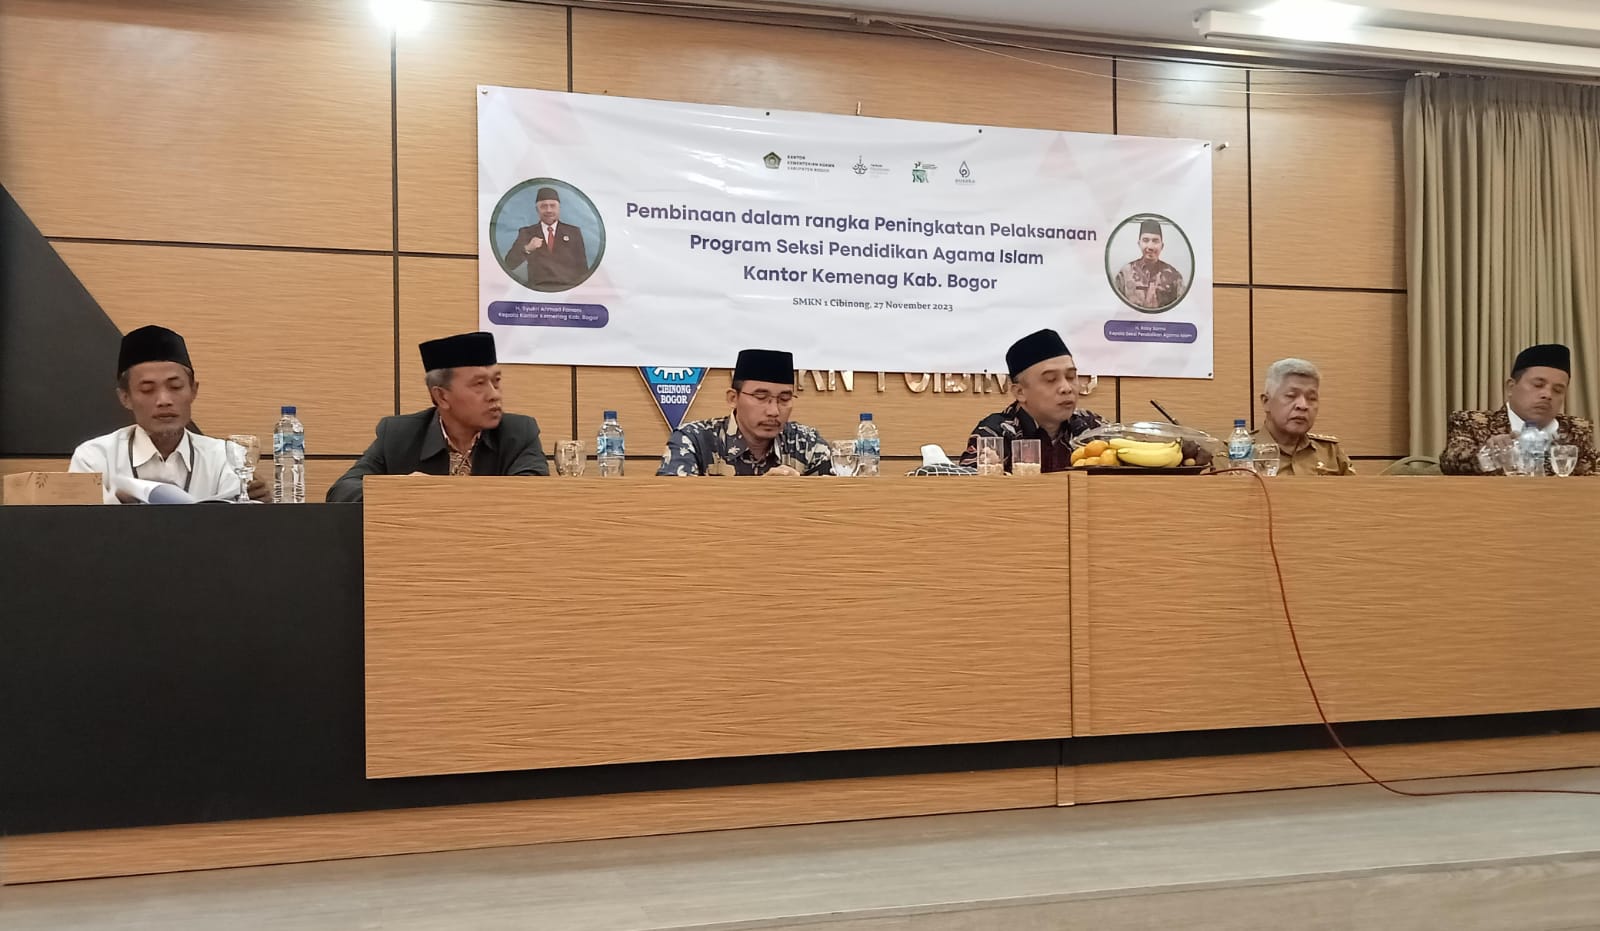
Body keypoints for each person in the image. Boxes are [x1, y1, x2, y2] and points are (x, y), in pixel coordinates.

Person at [326, 332, 548, 502]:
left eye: (496, 381)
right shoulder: (398, 435)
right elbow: (342, 491)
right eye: (479, 384)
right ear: (441, 396)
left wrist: (438, 493)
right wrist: (398, 490)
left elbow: (534, 496)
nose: (494, 395)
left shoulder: (519, 433)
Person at [70, 325, 269, 503]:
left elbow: (240, 526)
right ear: (125, 397)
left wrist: (260, 507)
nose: (164, 400)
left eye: (175, 387)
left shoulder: (226, 458)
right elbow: (79, 526)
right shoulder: (95, 458)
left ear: (193, 391)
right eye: (147, 390)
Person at [658, 349, 831, 476]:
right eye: (761, 397)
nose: (773, 411)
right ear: (733, 398)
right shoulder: (694, 440)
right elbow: (671, 505)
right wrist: (760, 495)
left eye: (784, 399)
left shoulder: (806, 443)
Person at [960, 328, 1109, 473]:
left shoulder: (1092, 427)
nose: (1066, 388)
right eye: (1051, 379)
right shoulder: (995, 433)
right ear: (1020, 392)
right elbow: (968, 484)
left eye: (1071, 377)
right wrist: (992, 474)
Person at [1440, 343, 1598, 475]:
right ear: (1511, 387)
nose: (1547, 395)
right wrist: (1488, 455)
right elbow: (1451, 461)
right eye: (1538, 385)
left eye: (1557, 390)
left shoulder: (1576, 429)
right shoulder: (1472, 422)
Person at [1255, 358, 1354, 475]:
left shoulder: (1330, 453)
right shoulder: (1240, 454)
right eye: (1291, 396)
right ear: (1266, 402)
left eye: (1311, 398)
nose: (1303, 405)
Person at [505, 186, 589, 291]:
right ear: (537, 210)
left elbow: (582, 269)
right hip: (536, 291)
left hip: (566, 290)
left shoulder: (573, 232)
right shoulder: (527, 233)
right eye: (543, 206)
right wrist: (527, 249)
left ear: (559, 208)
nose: (548, 210)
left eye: (552, 206)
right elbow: (509, 264)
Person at [1113, 218, 1185, 311]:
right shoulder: (1125, 273)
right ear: (1139, 243)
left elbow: (1181, 308)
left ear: (1162, 246)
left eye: (1155, 241)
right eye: (1145, 240)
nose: (1150, 247)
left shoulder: (1173, 276)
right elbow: (1115, 305)